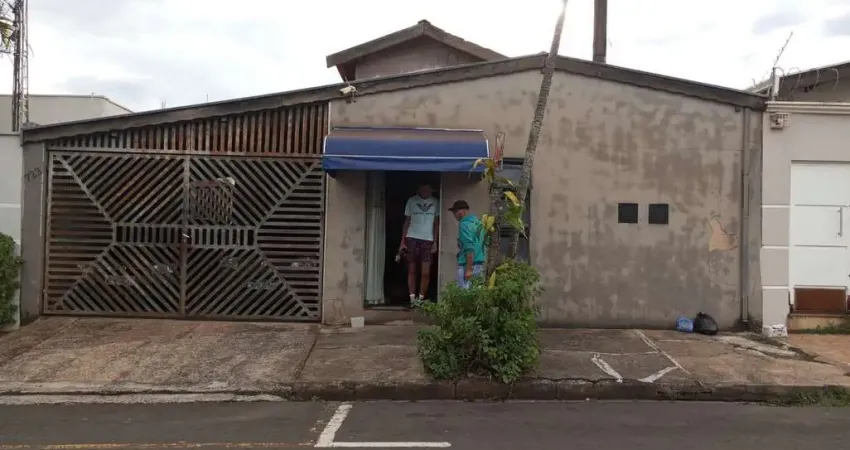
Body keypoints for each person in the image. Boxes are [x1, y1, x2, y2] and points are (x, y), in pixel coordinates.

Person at [399, 182, 440, 303]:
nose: (425, 192)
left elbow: (436, 223)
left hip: (428, 239)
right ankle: (412, 298)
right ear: (419, 190)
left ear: (431, 190)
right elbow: (407, 221)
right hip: (412, 237)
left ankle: (421, 298)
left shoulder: (435, 202)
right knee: (412, 269)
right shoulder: (411, 201)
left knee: (426, 272)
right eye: (423, 190)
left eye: (428, 190)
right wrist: (403, 241)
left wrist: (435, 242)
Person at [448, 200, 485, 288]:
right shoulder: (478, 223)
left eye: (455, 212)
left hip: (468, 264)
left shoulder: (464, 225)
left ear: (462, 211)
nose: (454, 215)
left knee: (463, 295)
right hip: (479, 264)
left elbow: (469, 248)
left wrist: (469, 269)